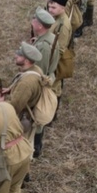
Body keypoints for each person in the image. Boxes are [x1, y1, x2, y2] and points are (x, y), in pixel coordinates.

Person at [0, 42, 44, 148]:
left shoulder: (26, 83)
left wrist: (1, 103)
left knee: (18, 145)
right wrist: (10, 90)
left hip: (22, 119)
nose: (15, 56)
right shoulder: (36, 69)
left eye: (19, 55)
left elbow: (14, 108)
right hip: (30, 107)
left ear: (27, 61)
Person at [30, 8, 57, 159]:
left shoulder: (43, 47)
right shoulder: (46, 39)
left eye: (35, 20)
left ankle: (36, 147)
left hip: (40, 84)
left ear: (40, 26)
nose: (32, 21)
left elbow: (38, 72)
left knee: (36, 117)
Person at [46, 0, 73, 110]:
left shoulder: (63, 25)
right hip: (52, 55)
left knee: (54, 88)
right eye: (49, 7)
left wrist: (51, 65)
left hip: (56, 60)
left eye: (53, 7)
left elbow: (60, 49)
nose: (50, 10)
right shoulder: (57, 18)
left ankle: (52, 112)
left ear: (62, 8)